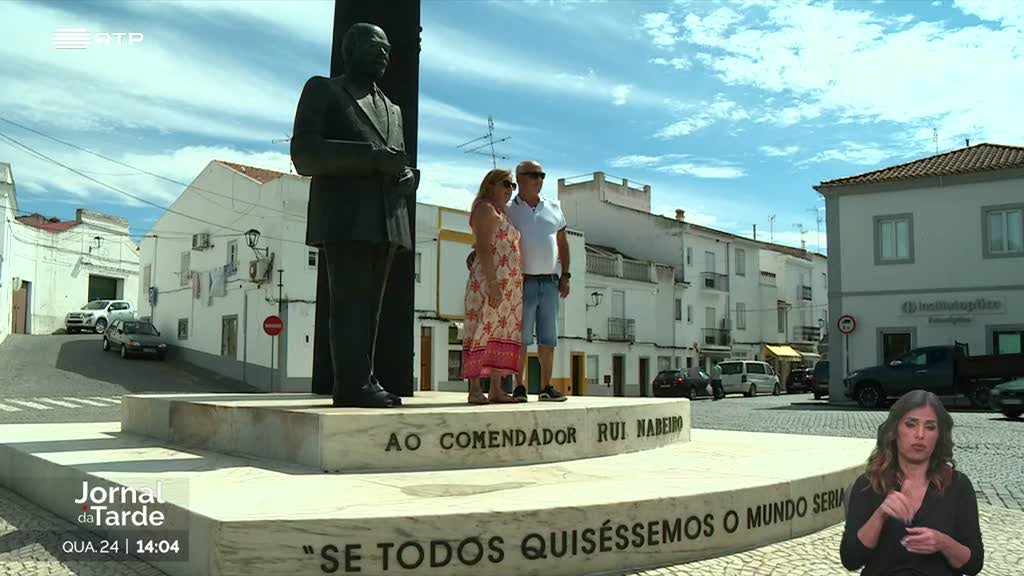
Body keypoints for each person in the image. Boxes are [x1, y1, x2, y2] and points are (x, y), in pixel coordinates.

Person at [290, 22, 415, 408]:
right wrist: (371, 159)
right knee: (349, 307)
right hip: (345, 218)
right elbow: (304, 155)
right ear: (351, 50)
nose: (384, 54)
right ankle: (351, 385)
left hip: (386, 220)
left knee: (371, 311)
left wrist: (408, 176)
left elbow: (400, 160)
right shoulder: (324, 90)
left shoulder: (393, 109)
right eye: (376, 46)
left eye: (388, 49)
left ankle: (364, 379)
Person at [840, 389, 984, 576]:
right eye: (911, 424)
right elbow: (850, 559)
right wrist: (880, 516)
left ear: (939, 435)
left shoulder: (958, 486)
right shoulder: (869, 484)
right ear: (894, 431)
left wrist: (943, 543)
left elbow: (974, 564)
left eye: (930, 427)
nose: (920, 434)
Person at [466, 160, 569, 402]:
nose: (539, 179)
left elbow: (562, 243)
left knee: (514, 335)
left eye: (542, 175)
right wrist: (481, 263)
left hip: (527, 284)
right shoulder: (499, 209)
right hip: (506, 282)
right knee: (496, 334)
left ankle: (517, 388)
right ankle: (500, 388)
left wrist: (566, 274)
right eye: (506, 184)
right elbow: (484, 242)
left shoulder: (540, 208)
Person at [461, 169, 523, 404]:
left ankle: (496, 388)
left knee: (500, 332)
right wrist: (493, 283)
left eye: (512, 186)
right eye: (505, 184)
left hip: (509, 287)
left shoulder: (502, 212)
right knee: (480, 329)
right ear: (490, 185)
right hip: (489, 282)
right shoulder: (485, 209)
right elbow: (484, 248)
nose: (510, 189)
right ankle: (475, 389)